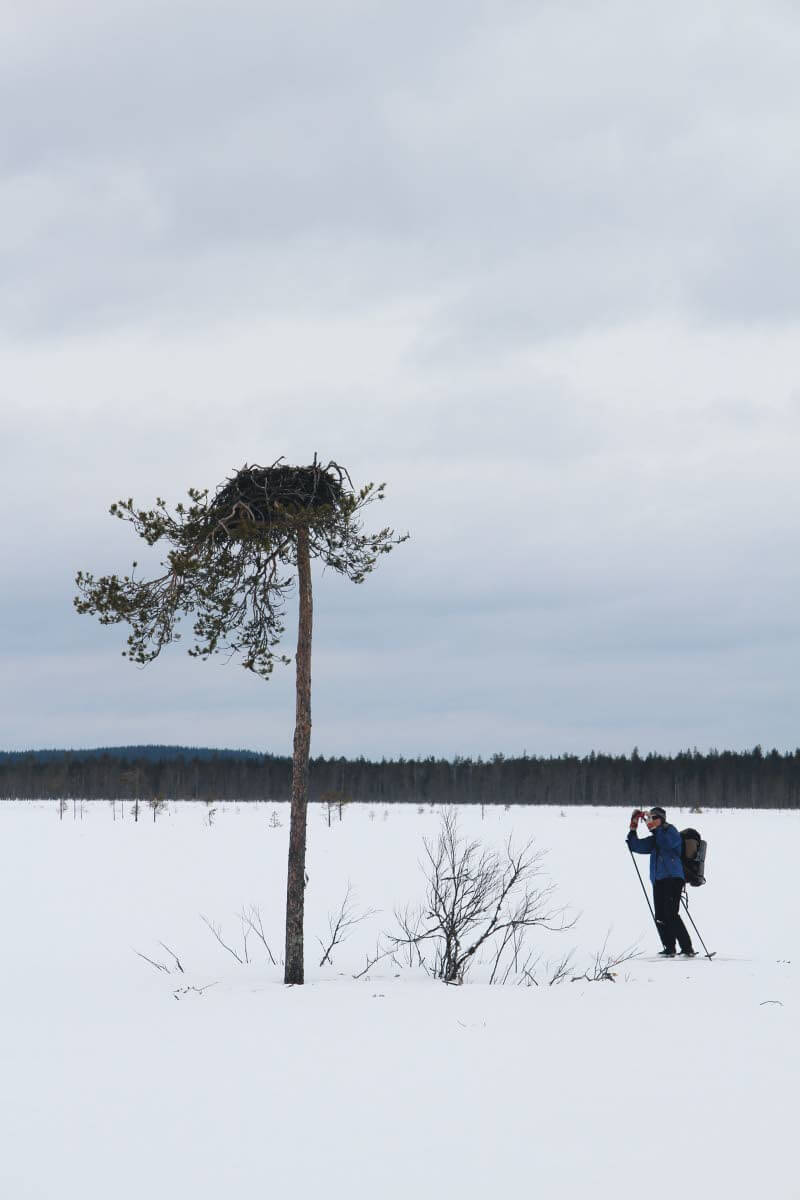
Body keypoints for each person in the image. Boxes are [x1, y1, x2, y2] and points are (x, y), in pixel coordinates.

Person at [627, 806, 695, 957]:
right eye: (649, 818)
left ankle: (687, 948)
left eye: (654, 818)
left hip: (673, 878)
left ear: (661, 819)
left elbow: (666, 843)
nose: (650, 821)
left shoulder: (670, 831)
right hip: (658, 879)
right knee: (660, 916)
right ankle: (669, 947)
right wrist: (633, 827)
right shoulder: (656, 836)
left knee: (671, 913)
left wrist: (653, 829)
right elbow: (636, 846)